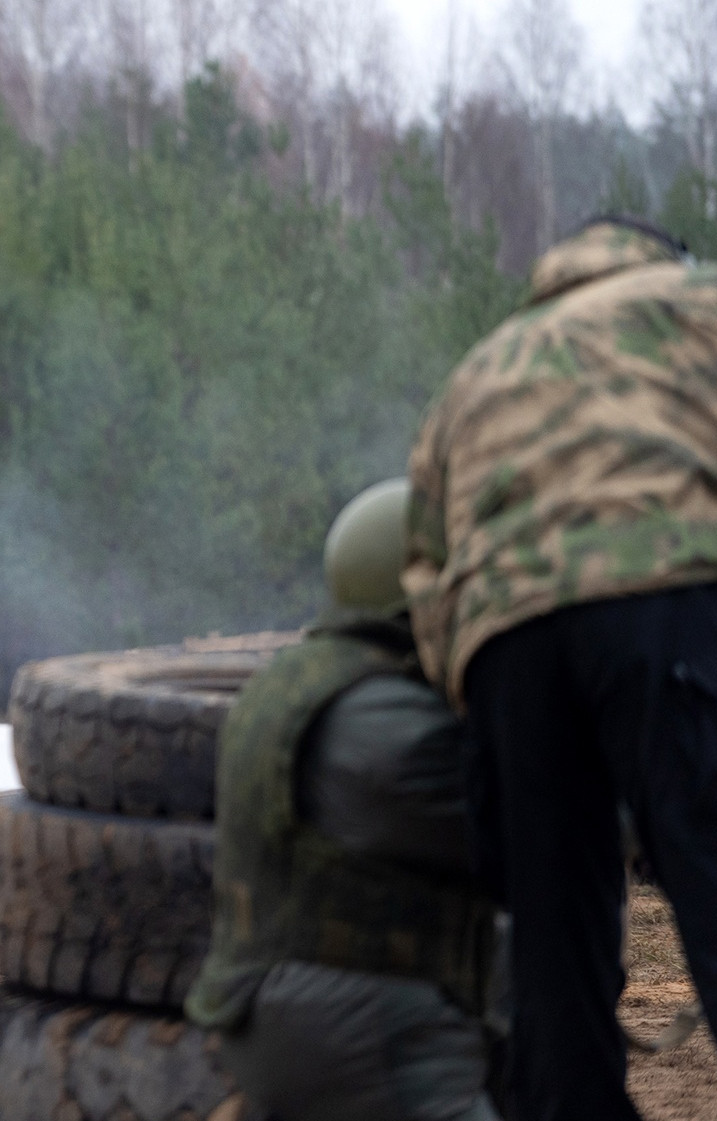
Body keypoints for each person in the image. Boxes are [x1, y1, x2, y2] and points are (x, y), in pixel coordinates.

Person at [405, 215, 717, 1121]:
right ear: (665, 258)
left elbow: (425, 563)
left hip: (507, 646)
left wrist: (473, 688)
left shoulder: (480, 367)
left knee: (555, 967)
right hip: (665, 603)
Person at [186, 478, 500, 1121]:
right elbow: (549, 831)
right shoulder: (389, 721)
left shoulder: (290, 681)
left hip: (264, 1007)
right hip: (372, 1024)